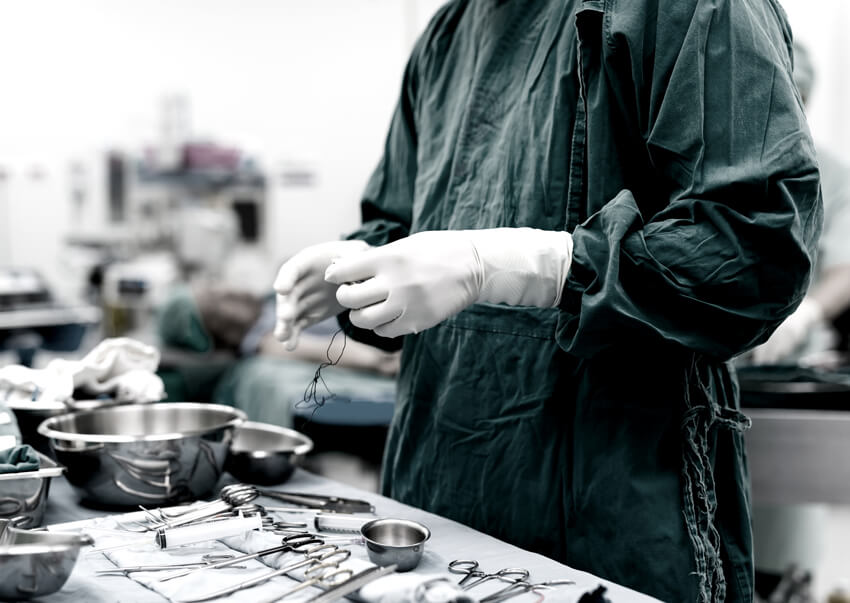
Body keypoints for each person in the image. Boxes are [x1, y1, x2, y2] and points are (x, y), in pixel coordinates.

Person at [273, 1, 822, 601]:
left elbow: (750, 248)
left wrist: (526, 266)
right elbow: (396, 224)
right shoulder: (451, 31)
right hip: (436, 493)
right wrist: (354, 271)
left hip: (612, 508)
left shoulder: (683, 9)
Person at [751, 42, 850, 365]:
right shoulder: (716, 168)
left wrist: (803, 317)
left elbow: (845, 269)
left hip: (799, 361)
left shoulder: (834, 176)